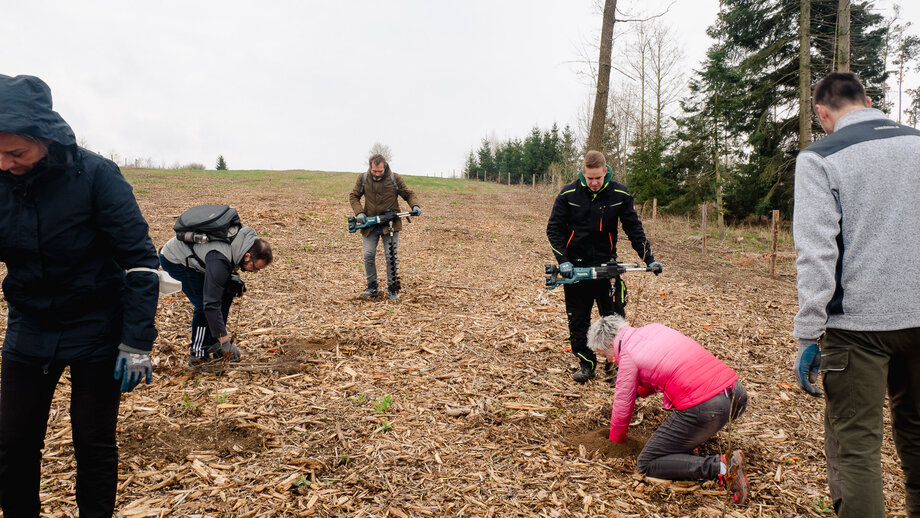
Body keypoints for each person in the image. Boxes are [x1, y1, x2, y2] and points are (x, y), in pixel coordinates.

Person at [0, 75, 159, 516]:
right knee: (13, 443)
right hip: (29, 327)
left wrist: (137, 340)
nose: (4, 162)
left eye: (16, 153)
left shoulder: (96, 175)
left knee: (93, 443)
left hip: (96, 328)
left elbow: (141, 261)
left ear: (45, 138)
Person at [792, 72, 920, 517]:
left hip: (857, 328)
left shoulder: (821, 156)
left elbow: (816, 251)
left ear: (823, 113)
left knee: (856, 449)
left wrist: (809, 333)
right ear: (868, 100)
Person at [587, 315, 749, 505]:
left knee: (647, 463)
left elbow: (622, 406)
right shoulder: (653, 329)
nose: (610, 360)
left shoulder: (627, 356)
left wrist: (615, 441)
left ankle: (721, 467)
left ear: (608, 346)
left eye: (604, 355)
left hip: (708, 407)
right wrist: (636, 392)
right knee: (685, 414)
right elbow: (657, 369)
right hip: (735, 393)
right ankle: (686, 446)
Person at [546, 150, 661, 383]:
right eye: (589, 178)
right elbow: (554, 229)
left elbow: (633, 228)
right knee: (578, 319)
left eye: (598, 177)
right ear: (583, 173)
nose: (594, 182)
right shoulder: (568, 194)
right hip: (576, 269)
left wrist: (649, 258)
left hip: (607, 267)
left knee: (615, 318)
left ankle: (616, 364)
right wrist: (563, 261)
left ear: (605, 171)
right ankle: (586, 364)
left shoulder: (619, 193)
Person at [159, 220, 272, 367]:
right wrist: (226, 341)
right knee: (203, 303)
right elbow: (210, 304)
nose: (255, 272)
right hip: (176, 260)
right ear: (247, 256)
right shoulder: (220, 258)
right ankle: (198, 355)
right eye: (255, 267)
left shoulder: (245, 243)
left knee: (227, 291)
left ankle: (213, 343)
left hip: (204, 261)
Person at [349, 154, 420, 301]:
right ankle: (372, 287)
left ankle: (392, 289)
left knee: (391, 257)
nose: (377, 174)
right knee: (368, 255)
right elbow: (354, 196)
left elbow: (408, 194)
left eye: (380, 171)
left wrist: (415, 205)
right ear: (370, 167)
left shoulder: (394, 178)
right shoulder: (363, 179)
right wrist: (360, 212)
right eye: (374, 171)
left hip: (391, 225)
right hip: (370, 224)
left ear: (385, 166)